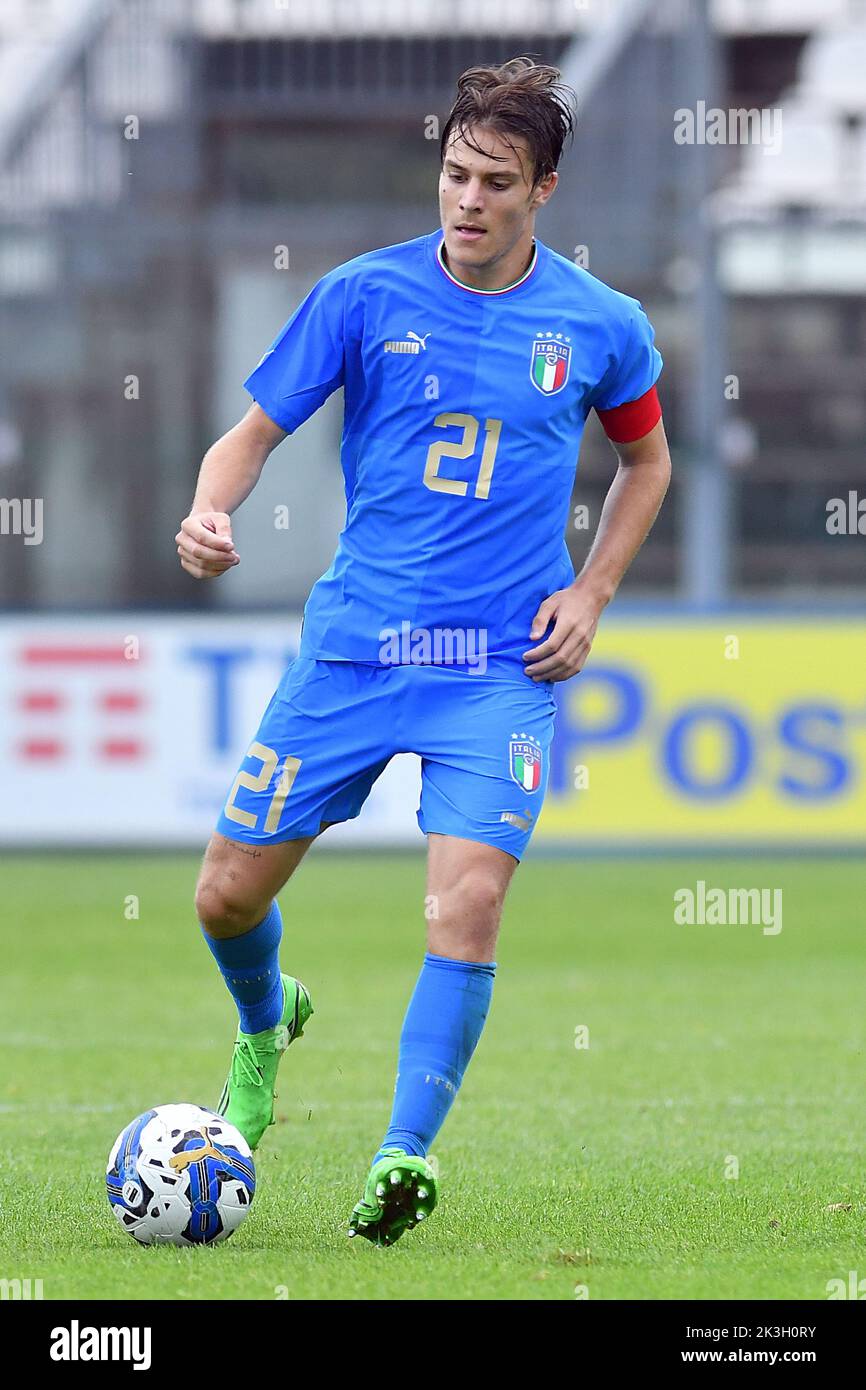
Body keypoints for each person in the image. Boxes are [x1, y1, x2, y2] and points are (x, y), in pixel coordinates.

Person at [176, 56, 671, 1247]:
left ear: (542, 189)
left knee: (468, 907)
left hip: (500, 670)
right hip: (355, 654)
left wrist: (593, 591)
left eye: (495, 182)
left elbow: (647, 463)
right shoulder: (360, 296)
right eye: (454, 172)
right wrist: (209, 509)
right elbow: (249, 434)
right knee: (223, 896)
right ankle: (264, 1023)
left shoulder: (599, 327)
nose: (466, 199)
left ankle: (401, 1153)